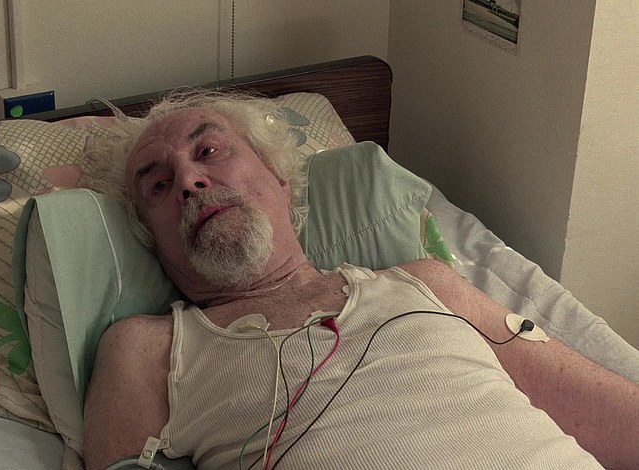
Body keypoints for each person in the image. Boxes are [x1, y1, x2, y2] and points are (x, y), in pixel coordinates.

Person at [82, 91, 639, 469]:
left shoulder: (426, 282)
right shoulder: (149, 350)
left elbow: (611, 413)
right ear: (152, 240)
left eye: (208, 151)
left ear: (278, 176)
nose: (188, 180)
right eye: (158, 186)